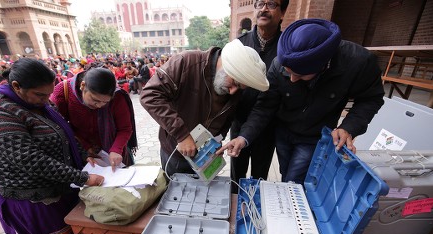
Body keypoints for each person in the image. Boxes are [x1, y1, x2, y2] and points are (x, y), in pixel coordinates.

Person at [0, 58, 105, 234]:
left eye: (48, 95)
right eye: (40, 95)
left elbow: (62, 133)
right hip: (27, 191)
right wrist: (82, 177)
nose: (47, 101)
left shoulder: (38, 103)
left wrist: (85, 157)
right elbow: (31, 160)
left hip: (56, 179)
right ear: (17, 87)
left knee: (69, 225)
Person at [218, 19, 385, 185]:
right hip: (284, 131)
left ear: (322, 66)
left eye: (300, 75)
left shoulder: (358, 62)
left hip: (314, 134)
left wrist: (348, 127)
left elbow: (371, 98)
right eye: (287, 72)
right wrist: (243, 137)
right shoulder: (278, 65)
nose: (291, 79)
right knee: (286, 174)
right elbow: (264, 107)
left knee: (294, 180)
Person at [140, 39, 269, 176]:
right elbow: (150, 95)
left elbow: (227, 119)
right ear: (226, 65)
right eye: (234, 83)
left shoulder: (234, 89)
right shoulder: (187, 61)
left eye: (239, 87)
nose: (233, 91)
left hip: (204, 157)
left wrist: (216, 143)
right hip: (176, 152)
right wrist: (182, 135)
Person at [230, 0, 289, 192]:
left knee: (260, 176)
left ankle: (255, 214)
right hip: (239, 123)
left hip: (268, 126)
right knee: (236, 177)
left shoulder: (287, 48)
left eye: (271, 4)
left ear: (283, 12)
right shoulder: (239, 45)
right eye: (259, 3)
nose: (264, 8)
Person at [50, 66, 138, 169]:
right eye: (95, 100)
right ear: (83, 86)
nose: (99, 106)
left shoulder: (117, 96)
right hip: (81, 152)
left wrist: (116, 149)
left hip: (113, 153)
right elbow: (59, 126)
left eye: (105, 102)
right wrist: (84, 148)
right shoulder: (63, 91)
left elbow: (125, 128)